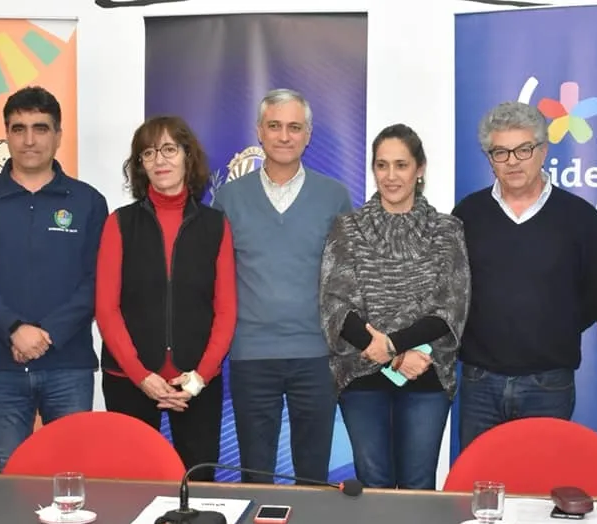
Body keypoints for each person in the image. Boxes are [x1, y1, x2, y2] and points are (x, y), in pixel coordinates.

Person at [0, 86, 108, 473]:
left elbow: (98, 279)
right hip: (0, 363)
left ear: (58, 135)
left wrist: (47, 334)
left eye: (41, 128)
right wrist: (14, 329)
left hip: (68, 363)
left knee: (70, 476)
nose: (29, 139)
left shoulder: (87, 201)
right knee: (10, 474)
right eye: (18, 128)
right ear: (6, 134)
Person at [213, 88, 352, 483]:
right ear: (259, 131)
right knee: (255, 473)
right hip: (251, 355)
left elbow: (348, 277)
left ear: (308, 135)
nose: (284, 136)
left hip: (317, 356)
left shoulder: (334, 196)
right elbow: (216, 280)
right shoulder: (229, 198)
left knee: (313, 476)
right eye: (274, 126)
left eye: (294, 127)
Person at [320, 125, 469, 490]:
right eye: (382, 165)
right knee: (373, 485)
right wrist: (395, 357)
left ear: (420, 169)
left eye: (401, 165)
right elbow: (335, 304)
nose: (390, 176)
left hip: (426, 376)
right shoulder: (347, 228)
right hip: (362, 376)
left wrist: (392, 345)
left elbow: (451, 306)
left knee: (418, 485)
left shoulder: (447, 230)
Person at [452, 101, 597, 450]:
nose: (512, 161)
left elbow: (596, 294)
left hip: (548, 383)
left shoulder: (580, 217)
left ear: (543, 150)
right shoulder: (467, 214)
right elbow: (452, 290)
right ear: (489, 159)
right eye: (500, 152)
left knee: (541, 478)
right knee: (480, 479)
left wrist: (552, 329)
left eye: (523, 149)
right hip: (479, 381)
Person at [96, 116, 236, 481]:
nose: (159, 160)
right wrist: (142, 376)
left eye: (169, 149)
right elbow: (107, 310)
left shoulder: (215, 225)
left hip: (197, 384)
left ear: (188, 156)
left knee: (199, 488)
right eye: (148, 152)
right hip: (129, 381)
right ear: (140, 164)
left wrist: (199, 379)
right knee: (131, 488)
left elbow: (225, 311)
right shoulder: (119, 223)